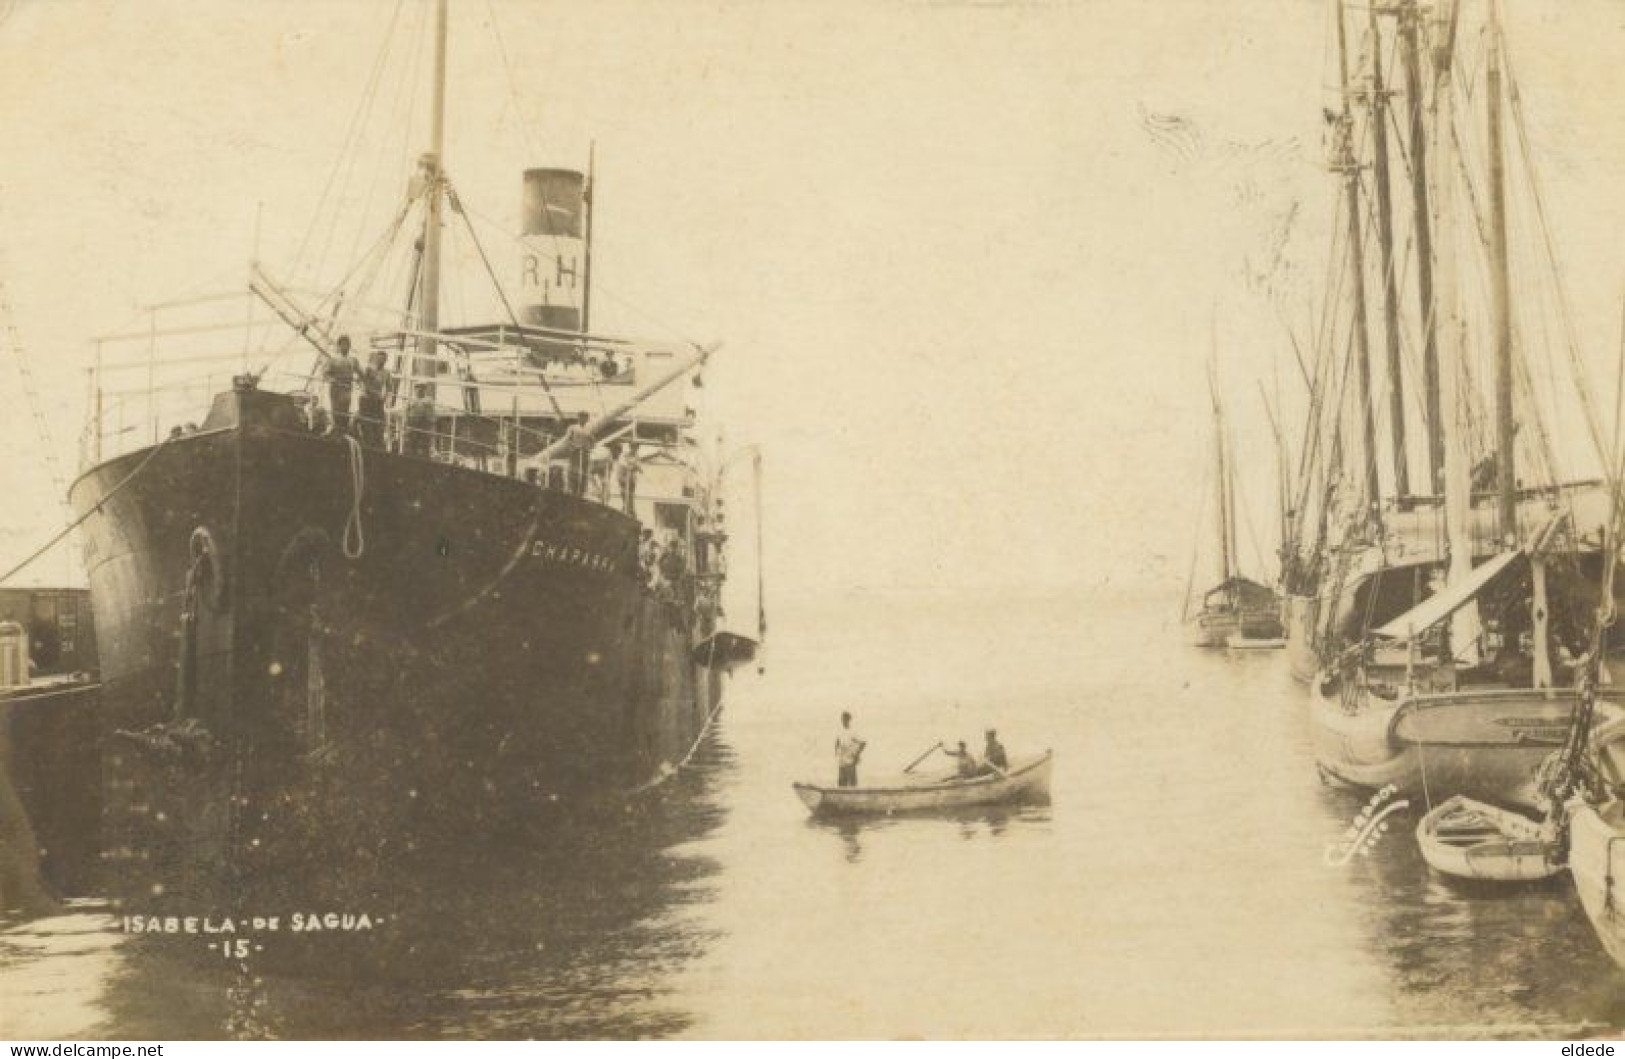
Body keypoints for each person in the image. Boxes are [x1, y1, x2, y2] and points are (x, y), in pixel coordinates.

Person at [323, 335, 361, 435]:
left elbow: (361, 374)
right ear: (339, 346)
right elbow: (326, 374)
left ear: (349, 346)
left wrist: (358, 380)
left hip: (347, 388)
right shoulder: (333, 359)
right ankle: (335, 429)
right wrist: (333, 380)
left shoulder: (353, 360)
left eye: (347, 344)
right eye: (343, 344)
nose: (345, 347)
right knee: (335, 409)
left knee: (346, 410)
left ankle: (344, 431)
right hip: (336, 388)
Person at [358, 349, 392, 450]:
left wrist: (385, 398)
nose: (381, 361)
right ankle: (366, 442)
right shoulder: (368, 369)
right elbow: (362, 381)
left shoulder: (386, 373)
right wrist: (368, 390)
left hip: (377, 401)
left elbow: (389, 387)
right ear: (376, 358)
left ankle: (377, 444)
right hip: (366, 399)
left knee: (379, 423)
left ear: (386, 360)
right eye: (380, 358)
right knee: (366, 423)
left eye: (384, 359)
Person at [562, 412, 593, 494]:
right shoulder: (572, 428)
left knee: (583, 473)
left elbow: (592, 440)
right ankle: (572, 490)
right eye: (581, 417)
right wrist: (574, 446)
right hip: (575, 453)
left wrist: (589, 447)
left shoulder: (588, 429)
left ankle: (581, 491)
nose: (583, 419)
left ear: (587, 419)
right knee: (573, 472)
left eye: (585, 417)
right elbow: (567, 440)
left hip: (585, 453)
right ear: (578, 418)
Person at [403, 384, 437, 458]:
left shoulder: (429, 400)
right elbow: (406, 412)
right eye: (418, 388)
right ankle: (411, 458)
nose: (419, 390)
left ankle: (425, 459)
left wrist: (431, 427)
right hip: (412, 423)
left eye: (422, 388)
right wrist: (405, 425)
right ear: (415, 389)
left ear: (425, 390)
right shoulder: (410, 399)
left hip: (424, 424)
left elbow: (432, 415)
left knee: (424, 444)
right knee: (411, 443)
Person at [835, 711, 866, 788]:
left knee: (852, 782)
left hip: (851, 760)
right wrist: (836, 750)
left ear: (849, 720)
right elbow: (837, 742)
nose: (844, 721)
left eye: (846, 719)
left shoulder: (853, 732)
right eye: (843, 719)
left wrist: (857, 754)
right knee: (842, 782)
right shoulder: (840, 732)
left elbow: (863, 743)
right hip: (842, 760)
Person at [612, 441, 641, 516]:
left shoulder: (636, 456)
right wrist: (631, 466)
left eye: (636, 448)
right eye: (633, 447)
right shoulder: (624, 454)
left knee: (631, 493)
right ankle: (625, 508)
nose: (635, 449)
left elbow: (638, 466)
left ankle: (630, 510)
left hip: (631, 478)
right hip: (623, 476)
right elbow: (623, 464)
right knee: (624, 492)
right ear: (630, 447)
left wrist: (637, 467)